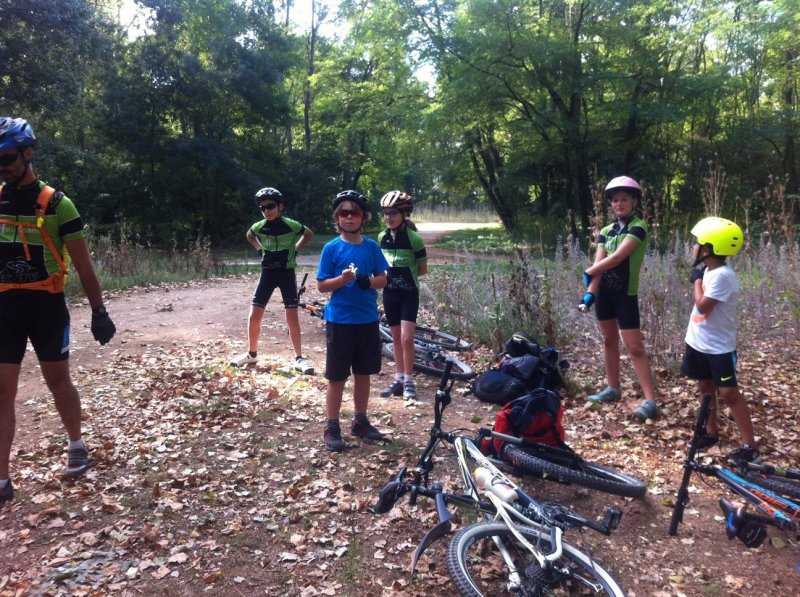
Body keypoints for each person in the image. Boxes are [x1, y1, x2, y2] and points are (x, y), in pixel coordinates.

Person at [0, 117, 116, 504]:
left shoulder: (58, 204)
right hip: (5, 308)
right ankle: (1, 479)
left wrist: (99, 310)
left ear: (28, 153)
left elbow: (83, 265)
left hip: (46, 306)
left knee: (57, 382)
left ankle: (76, 443)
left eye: (8, 157)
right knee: (3, 392)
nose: (2, 165)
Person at [579, 176, 658, 422]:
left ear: (633, 201)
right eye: (615, 200)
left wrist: (590, 271)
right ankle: (613, 388)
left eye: (624, 199)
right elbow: (599, 262)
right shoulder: (605, 231)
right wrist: (591, 288)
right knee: (608, 340)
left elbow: (616, 259)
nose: (619, 204)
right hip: (604, 294)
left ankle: (650, 400)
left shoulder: (639, 227)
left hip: (626, 295)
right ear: (610, 204)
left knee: (634, 347)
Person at [317, 190, 389, 452]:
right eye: (343, 213)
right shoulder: (331, 248)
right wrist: (342, 280)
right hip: (340, 321)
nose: (349, 217)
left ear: (363, 217)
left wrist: (367, 281)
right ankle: (332, 426)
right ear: (337, 217)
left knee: (363, 373)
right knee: (336, 376)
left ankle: (360, 421)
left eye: (354, 212)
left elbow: (383, 279)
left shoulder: (371, 247)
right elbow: (322, 286)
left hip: (367, 320)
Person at [683, 217, 759, 463]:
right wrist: (699, 275)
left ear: (707, 249)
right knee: (705, 388)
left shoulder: (723, 276)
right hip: (698, 342)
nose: (694, 247)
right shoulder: (710, 270)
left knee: (728, 393)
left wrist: (696, 279)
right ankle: (710, 432)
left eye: (697, 243)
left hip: (719, 348)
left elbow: (703, 306)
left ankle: (749, 445)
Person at [229, 187, 314, 373]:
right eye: (263, 207)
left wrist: (295, 250)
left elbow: (308, 233)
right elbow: (249, 235)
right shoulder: (259, 226)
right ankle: (252, 354)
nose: (267, 210)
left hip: (286, 273)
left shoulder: (290, 224)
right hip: (267, 273)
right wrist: (260, 251)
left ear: (280, 206)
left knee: (292, 317)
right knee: (254, 316)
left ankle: (299, 358)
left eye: (271, 206)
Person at [377, 191, 428, 400]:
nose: (389, 217)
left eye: (394, 213)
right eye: (386, 213)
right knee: (396, 337)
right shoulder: (382, 237)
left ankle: (409, 380)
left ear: (404, 214)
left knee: (407, 338)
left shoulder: (414, 239)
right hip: (390, 293)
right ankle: (398, 379)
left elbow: (422, 269)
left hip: (408, 294)